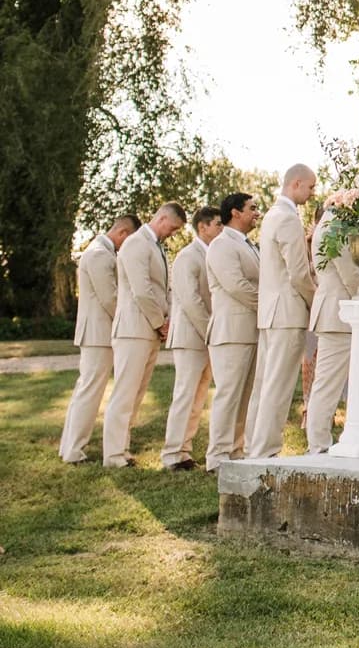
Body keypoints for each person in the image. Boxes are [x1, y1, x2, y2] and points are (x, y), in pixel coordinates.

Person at [102, 203, 186, 467]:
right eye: (172, 228)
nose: (172, 233)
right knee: (125, 392)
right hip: (132, 329)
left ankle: (123, 449)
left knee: (137, 393)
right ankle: (113, 454)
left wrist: (166, 320)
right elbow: (141, 290)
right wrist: (161, 322)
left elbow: (163, 288)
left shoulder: (157, 246)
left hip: (148, 329)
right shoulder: (136, 243)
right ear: (161, 218)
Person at [246, 164, 318, 459]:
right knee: (278, 385)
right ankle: (266, 450)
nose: (313, 193)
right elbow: (299, 273)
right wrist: (316, 302)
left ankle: (254, 445)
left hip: (270, 313)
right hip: (287, 312)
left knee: (264, 383)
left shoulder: (273, 216)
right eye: (311, 187)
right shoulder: (287, 218)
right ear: (296, 184)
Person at [61, 214, 138, 464]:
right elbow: (109, 298)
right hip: (98, 333)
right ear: (123, 233)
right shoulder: (98, 254)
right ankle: (74, 450)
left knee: (87, 389)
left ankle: (69, 447)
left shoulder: (103, 252)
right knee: (90, 391)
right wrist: (129, 321)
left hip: (102, 332)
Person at [161, 206, 223, 470]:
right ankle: (173, 454)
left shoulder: (212, 255)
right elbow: (190, 300)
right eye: (218, 224)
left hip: (206, 335)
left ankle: (185, 451)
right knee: (185, 395)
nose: (222, 229)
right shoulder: (188, 256)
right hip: (190, 336)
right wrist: (212, 331)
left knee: (199, 398)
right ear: (203, 227)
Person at [304, 197, 359, 455]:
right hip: (336, 311)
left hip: (336, 310)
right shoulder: (334, 226)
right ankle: (318, 444)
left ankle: (329, 439)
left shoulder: (329, 223)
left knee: (331, 382)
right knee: (327, 383)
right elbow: (349, 272)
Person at [205, 195, 262, 468]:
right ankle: (216, 456)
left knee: (245, 395)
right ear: (235, 212)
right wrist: (268, 306)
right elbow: (236, 285)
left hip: (250, 331)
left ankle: (236, 451)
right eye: (252, 208)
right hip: (230, 331)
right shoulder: (221, 245)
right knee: (228, 395)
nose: (257, 213)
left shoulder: (249, 245)